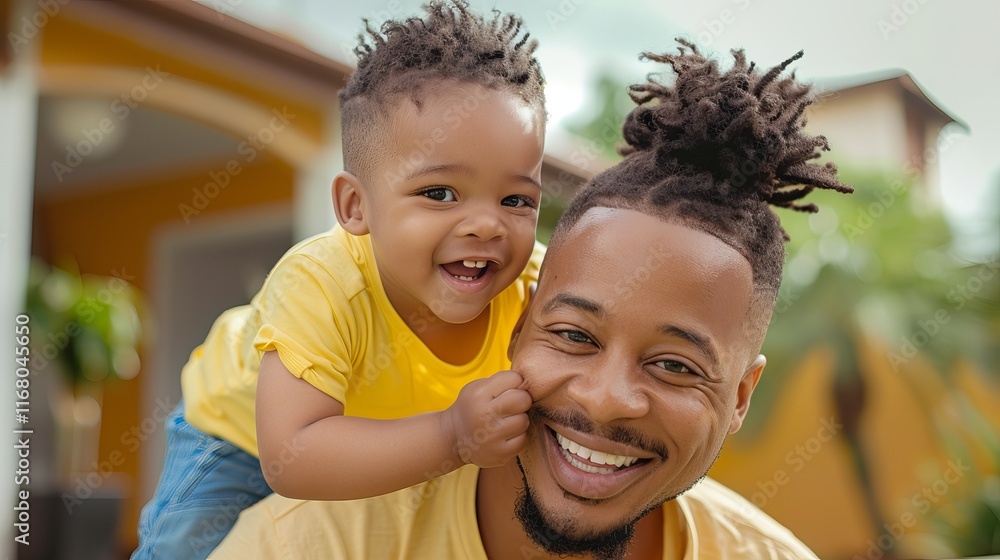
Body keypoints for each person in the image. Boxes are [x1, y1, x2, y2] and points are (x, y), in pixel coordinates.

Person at [209, 40, 853, 560]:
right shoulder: (306, 544)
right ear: (518, 322)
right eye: (573, 335)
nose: (604, 399)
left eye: (674, 365)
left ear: (739, 396)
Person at [132, 2, 548, 558]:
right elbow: (293, 456)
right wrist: (453, 435)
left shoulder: (535, 288)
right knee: (187, 549)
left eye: (516, 200)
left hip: (388, 433)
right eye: (440, 193)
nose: (486, 225)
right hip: (242, 439)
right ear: (356, 206)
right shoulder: (322, 282)